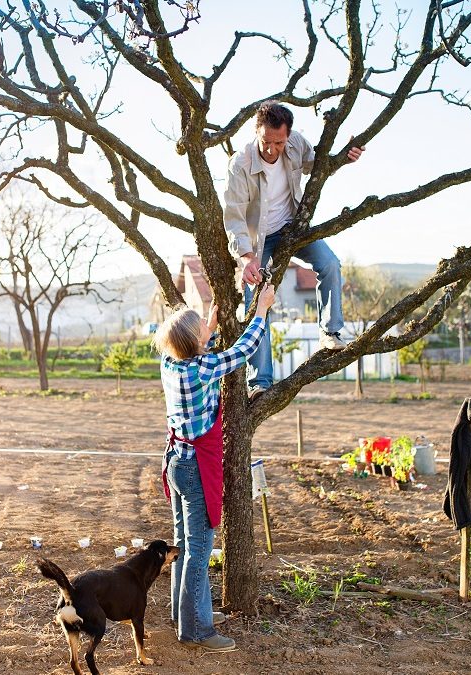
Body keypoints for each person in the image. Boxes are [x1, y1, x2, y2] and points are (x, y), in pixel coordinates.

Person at [153, 283, 276, 652]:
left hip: (175, 459)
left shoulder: (170, 363)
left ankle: (185, 614)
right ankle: (196, 631)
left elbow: (197, 346)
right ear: (195, 342)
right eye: (201, 330)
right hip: (194, 467)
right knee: (198, 549)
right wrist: (261, 311)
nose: (207, 331)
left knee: (183, 544)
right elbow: (242, 351)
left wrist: (206, 324)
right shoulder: (203, 368)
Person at [224, 100, 364, 399]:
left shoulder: (296, 143)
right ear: (256, 132)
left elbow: (319, 164)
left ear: (288, 135)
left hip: (292, 229)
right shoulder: (240, 164)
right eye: (266, 142)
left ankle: (330, 332)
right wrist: (247, 257)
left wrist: (345, 157)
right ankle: (260, 380)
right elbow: (234, 215)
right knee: (257, 303)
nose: (273, 149)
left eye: (279, 142)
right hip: (256, 243)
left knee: (329, 263)